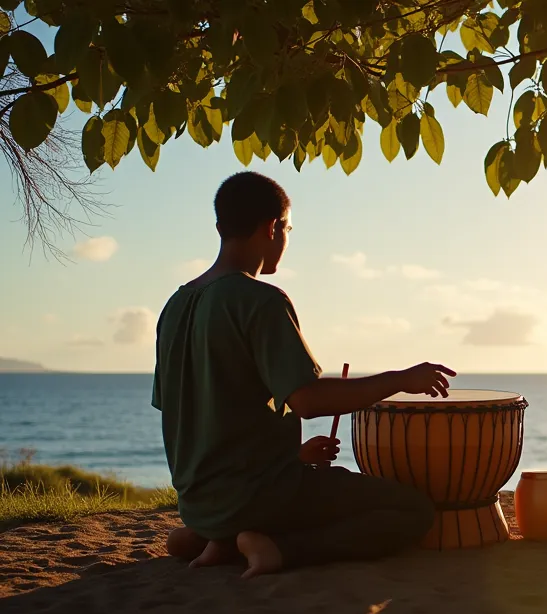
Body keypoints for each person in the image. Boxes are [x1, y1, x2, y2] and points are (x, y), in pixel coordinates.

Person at [154, 171, 456, 578]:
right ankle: (276, 548)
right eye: (288, 228)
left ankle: (217, 537)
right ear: (272, 227)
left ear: (220, 227)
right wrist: (401, 379)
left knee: (313, 495)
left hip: (199, 502)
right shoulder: (258, 299)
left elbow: (198, 416)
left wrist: (289, 457)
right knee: (411, 510)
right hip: (260, 497)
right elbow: (307, 399)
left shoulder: (175, 307)